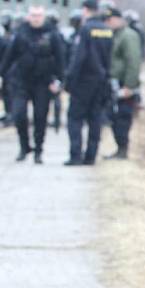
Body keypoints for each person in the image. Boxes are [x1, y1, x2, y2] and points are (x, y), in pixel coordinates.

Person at [0, 4, 64, 164]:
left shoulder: (52, 34)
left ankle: (38, 150)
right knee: (19, 114)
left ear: (43, 16)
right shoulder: (21, 32)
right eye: (33, 15)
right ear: (29, 16)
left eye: (39, 15)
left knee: (40, 117)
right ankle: (24, 146)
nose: (36, 18)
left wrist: (59, 80)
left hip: (43, 82)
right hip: (21, 80)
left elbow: (60, 59)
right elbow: (9, 56)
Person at [63, 0, 112, 166]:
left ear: (85, 10)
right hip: (102, 81)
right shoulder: (107, 30)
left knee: (74, 118)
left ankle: (75, 155)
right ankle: (91, 156)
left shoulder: (85, 29)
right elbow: (110, 57)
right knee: (95, 118)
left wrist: (69, 79)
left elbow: (79, 57)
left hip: (84, 81)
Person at [104, 7, 140, 160]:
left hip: (124, 84)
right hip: (113, 83)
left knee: (122, 118)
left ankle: (123, 150)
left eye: (110, 20)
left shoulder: (128, 36)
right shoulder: (114, 35)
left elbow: (133, 61)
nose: (108, 23)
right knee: (113, 117)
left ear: (118, 19)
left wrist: (129, 86)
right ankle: (119, 148)